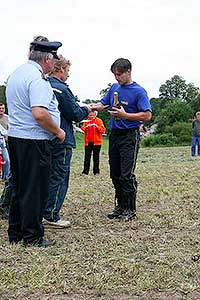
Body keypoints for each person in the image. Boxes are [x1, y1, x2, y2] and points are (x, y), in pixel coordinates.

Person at [6, 38, 65, 247]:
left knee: (19, 186)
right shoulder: (37, 79)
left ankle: (16, 232)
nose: (54, 63)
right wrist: (58, 131)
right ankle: (32, 236)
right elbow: (39, 113)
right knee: (35, 190)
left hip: (16, 137)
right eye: (54, 59)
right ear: (48, 59)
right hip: (34, 141)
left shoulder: (18, 73)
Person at [91, 58, 152, 220]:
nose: (116, 78)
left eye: (119, 74)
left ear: (128, 71)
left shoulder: (139, 91)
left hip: (130, 135)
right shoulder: (114, 88)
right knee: (115, 173)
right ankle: (120, 206)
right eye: (114, 75)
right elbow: (103, 104)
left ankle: (130, 209)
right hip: (115, 134)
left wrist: (125, 115)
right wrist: (89, 107)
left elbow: (147, 115)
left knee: (126, 174)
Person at [43, 55, 91, 227]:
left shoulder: (43, 84)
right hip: (62, 139)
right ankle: (51, 214)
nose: (68, 75)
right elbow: (75, 113)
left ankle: (43, 209)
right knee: (59, 176)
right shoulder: (61, 89)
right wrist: (88, 108)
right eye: (68, 70)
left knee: (46, 175)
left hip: (45, 138)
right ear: (61, 69)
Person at [81, 111, 106, 175]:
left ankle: (96, 172)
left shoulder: (99, 121)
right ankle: (85, 172)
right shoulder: (86, 121)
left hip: (97, 142)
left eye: (92, 115)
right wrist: (86, 127)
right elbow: (82, 129)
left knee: (96, 157)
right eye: (90, 115)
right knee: (87, 157)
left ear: (95, 115)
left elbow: (102, 130)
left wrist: (96, 126)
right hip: (88, 142)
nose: (91, 117)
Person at [0, 104, 10, 180]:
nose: (1, 110)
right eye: (0, 108)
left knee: (7, 160)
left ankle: (6, 178)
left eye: (3, 108)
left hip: (4, 142)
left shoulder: (7, 118)